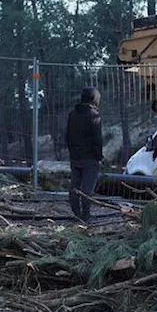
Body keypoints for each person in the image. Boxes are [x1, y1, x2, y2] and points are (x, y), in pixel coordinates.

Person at [65, 86, 103, 224]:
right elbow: (97, 139)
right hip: (90, 158)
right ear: (94, 99)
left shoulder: (72, 114)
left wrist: (72, 152)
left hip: (75, 157)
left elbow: (67, 136)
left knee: (74, 186)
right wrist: (99, 156)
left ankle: (76, 213)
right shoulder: (94, 115)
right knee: (87, 189)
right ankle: (86, 216)